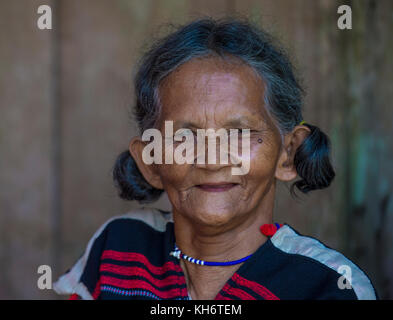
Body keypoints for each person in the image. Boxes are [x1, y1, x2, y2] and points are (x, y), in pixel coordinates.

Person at [53, 17, 377, 300]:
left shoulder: (327, 286)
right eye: (184, 136)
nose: (212, 161)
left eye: (239, 132)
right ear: (151, 161)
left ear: (288, 154)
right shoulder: (120, 249)